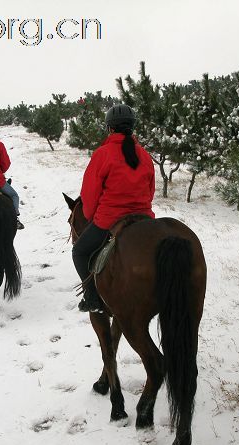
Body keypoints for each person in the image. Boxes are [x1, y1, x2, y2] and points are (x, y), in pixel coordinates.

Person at [72, 104, 155, 313]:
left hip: (110, 219)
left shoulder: (102, 154)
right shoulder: (144, 155)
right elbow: (151, 190)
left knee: (79, 252)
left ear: (110, 128)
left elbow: (90, 194)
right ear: (132, 127)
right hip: (145, 218)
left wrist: (91, 216)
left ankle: (91, 297)